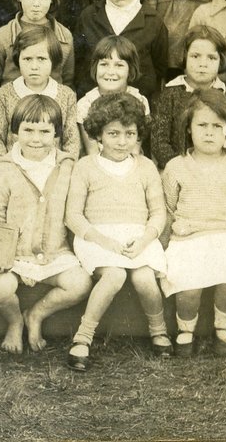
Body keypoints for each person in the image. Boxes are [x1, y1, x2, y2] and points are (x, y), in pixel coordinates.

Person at [161, 88, 226, 358]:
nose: (209, 132)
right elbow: (167, 212)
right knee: (188, 287)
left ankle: (223, 326)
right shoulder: (175, 167)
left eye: (217, 126)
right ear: (189, 129)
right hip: (187, 239)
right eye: (202, 125)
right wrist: (159, 255)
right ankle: (186, 329)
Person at [66, 93, 169, 371]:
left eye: (129, 133)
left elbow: (159, 212)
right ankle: (83, 337)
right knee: (114, 274)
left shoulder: (146, 167)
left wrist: (146, 238)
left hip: (139, 237)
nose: (122, 141)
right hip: (97, 237)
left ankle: (158, 330)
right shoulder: (85, 166)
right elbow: (73, 216)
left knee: (146, 278)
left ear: (138, 136)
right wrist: (104, 241)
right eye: (113, 133)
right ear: (98, 134)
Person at [0, 95, 92, 353]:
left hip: (55, 252)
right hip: (14, 255)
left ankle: (35, 314)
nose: (36, 138)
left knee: (80, 284)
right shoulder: (5, 168)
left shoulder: (67, 166)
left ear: (56, 133)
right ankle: (14, 322)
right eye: (28, 130)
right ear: (15, 132)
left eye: (45, 131)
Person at [73, 0, 167, 100]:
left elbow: (160, 70)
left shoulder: (153, 22)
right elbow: (79, 64)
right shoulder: (88, 17)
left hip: (137, 107)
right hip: (95, 104)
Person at [151, 26, 226, 169]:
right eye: (195, 56)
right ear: (184, 56)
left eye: (211, 58)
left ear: (221, 60)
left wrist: (225, 167)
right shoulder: (170, 93)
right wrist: (182, 168)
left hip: (219, 172)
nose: (202, 64)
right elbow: (159, 142)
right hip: (179, 171)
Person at [0, 26, 79, 163]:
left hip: (54, 171)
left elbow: (71, 140)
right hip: (14, 170)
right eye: (27, 59)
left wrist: (65, 168)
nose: (34, 66)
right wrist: (5, 167)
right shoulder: (6, 93)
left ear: (53, 61)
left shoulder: (66, 95)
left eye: (41, 59)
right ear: (18, 60)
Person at [77, 35, 150, 156]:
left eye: (119, 65)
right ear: (95, 67)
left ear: (130, 69)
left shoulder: (140, 100)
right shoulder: (85, 104)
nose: (110, 72)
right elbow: (92, 152)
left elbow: (134, 150)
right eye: (104, 64)